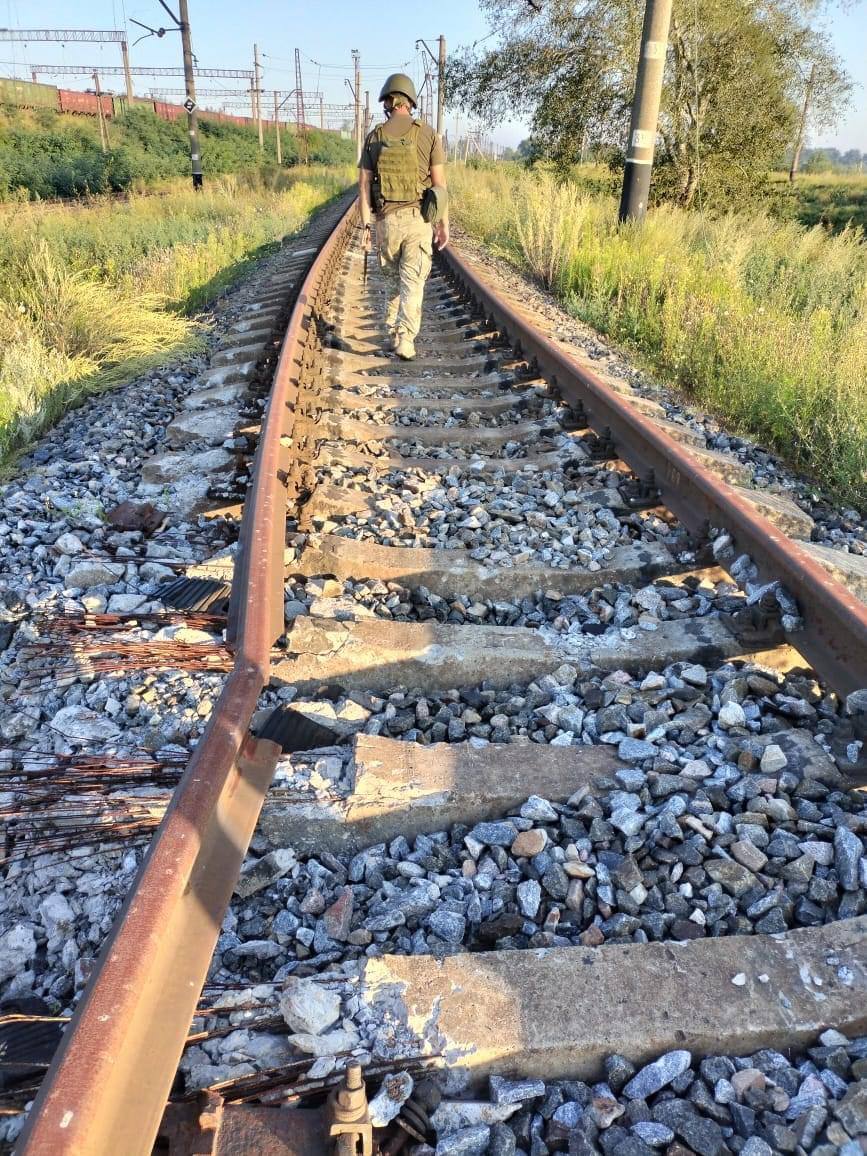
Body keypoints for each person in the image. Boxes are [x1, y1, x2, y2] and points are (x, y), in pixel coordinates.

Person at [357, 72, 449, 362]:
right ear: (410, 102)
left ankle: (393, 332)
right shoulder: (428, 134)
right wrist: (443, 222)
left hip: (386, 222)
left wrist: (366, 225)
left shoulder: (375, 137)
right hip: (418, 221)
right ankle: (406, 339)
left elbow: (363, 185)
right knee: (413, 282)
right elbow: (439, 185)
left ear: (388, 102)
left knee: (393, 283)